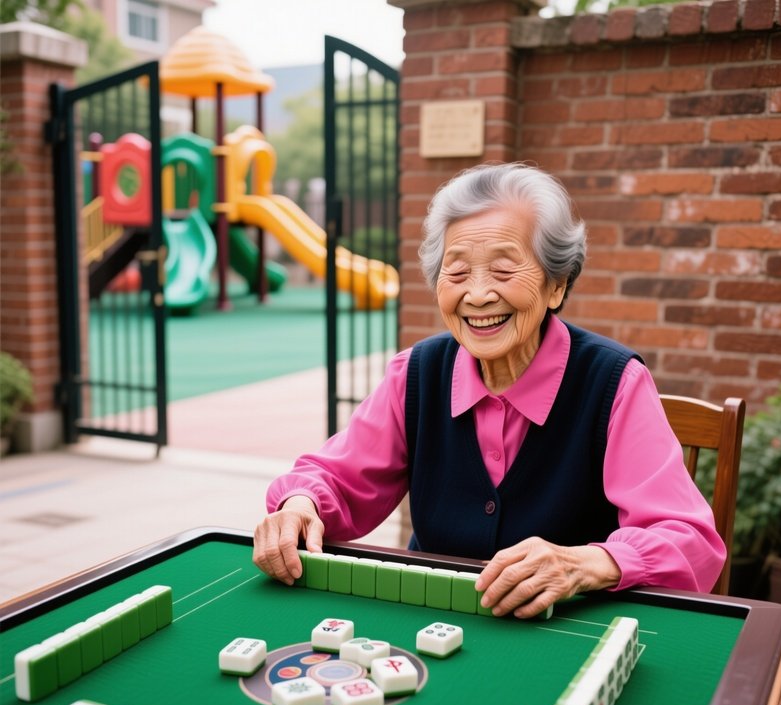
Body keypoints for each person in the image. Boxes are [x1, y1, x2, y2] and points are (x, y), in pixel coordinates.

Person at [253, 163, 725, 619]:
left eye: (503, 272)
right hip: (431, 619)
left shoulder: (613, 382)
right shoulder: (416, 373)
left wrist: (587, 563)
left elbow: (688, 538)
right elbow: (338, 478)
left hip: (567, 629)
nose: (477, 295)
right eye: (456, 274)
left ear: (556, 285)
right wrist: (300, 506)